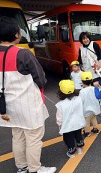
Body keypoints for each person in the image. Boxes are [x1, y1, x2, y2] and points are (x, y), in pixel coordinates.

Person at [0, 16, 56, 173]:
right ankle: (35, 168)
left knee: (17, 136)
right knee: (33, 138)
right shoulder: (23, 54)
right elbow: (41, 79)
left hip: (8, 106)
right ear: (16, 34)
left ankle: (22, 166)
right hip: (27, 105)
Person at [56, 80, 85, 158]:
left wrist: (60, 125)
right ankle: (79, 148)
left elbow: (59, 118)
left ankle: (71, 152)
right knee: (78, 135)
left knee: (69, 138)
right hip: (78, 123)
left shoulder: (60, 105)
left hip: (67, 126)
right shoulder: (79, 99)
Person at [79, 72, 101, 138]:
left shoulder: (82, 91)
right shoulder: (95, 88)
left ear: (82, 82)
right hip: (94, 108)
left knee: (86, 121)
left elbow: (81, 101)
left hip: (86, 109)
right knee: (94, 119)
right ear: (91, 80)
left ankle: (87, 132)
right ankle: (95, 129)